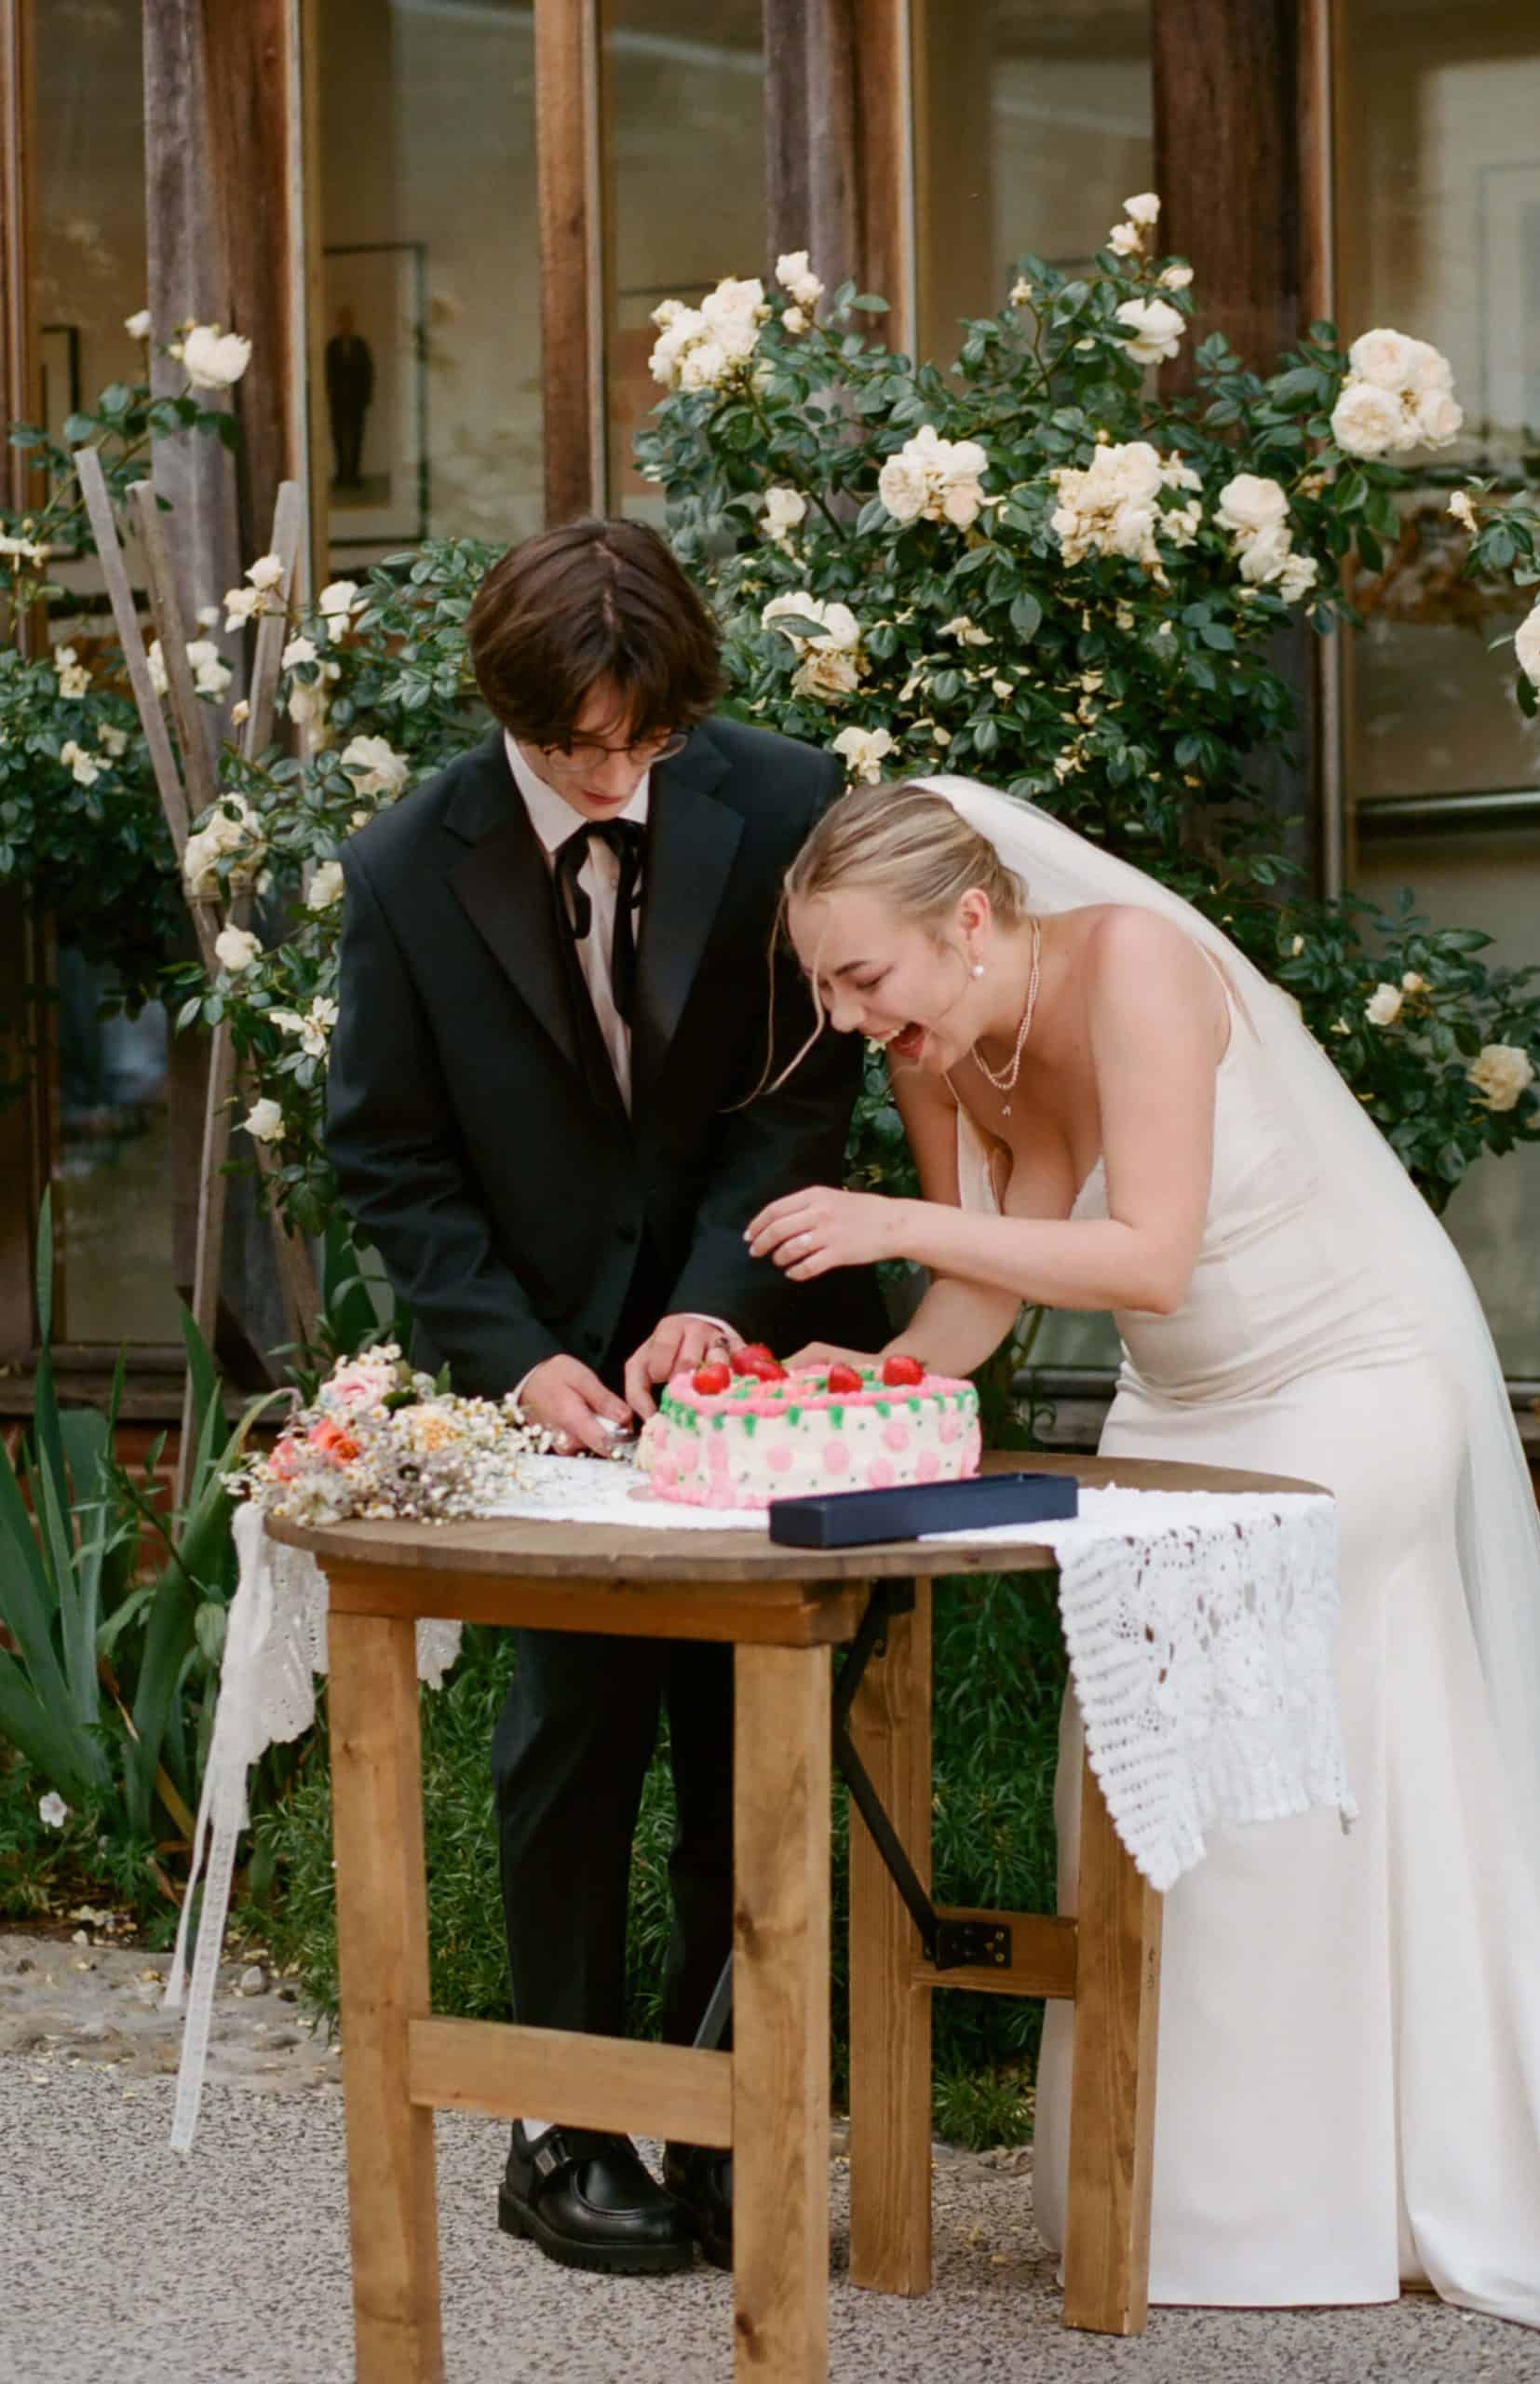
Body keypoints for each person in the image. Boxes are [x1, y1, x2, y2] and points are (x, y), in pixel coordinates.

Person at [746, 774, 1540, 2334]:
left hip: (1348, 1388)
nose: (851, 1020)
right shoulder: (944, 1052)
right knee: (1133, 1754)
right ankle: (1158, 2200)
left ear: (972, 920)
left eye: (863, 979)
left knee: (1251, 1735)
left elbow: (1146, 1252)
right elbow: (980, 1306)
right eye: (822, 988)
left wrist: (898, 1230)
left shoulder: (1132, 961)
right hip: (1181, 1410)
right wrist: (844, 1388)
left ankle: (1329, 2201)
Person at [324, 519, 885, 2279]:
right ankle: (567, 2126)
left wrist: (715, 1308)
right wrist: (516, 1355)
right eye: (578, 746)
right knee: (567, 1741)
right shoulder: (409, 862)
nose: (615, 772)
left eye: (643, 741)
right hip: (544, 1369)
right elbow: (391, 1157)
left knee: (754, 1740)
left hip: (766, 1343)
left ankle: (734, 2107)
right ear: (508, 713)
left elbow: (802, 1099)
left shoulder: (784, 797)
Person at [326, 305, 373, 490]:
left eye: (349, 321)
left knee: (356, 438)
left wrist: (367, 396)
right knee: (338, 438)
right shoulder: (332, 347)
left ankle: (354, 476)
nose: (346, 325)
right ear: (339, 324)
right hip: (338, 402)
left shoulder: (361, 346)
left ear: (352, 323)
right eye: (342, 321)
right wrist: (329, 394)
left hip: (357, 402)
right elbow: (328, 373)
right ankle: (341, 475)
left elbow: (368, 372)